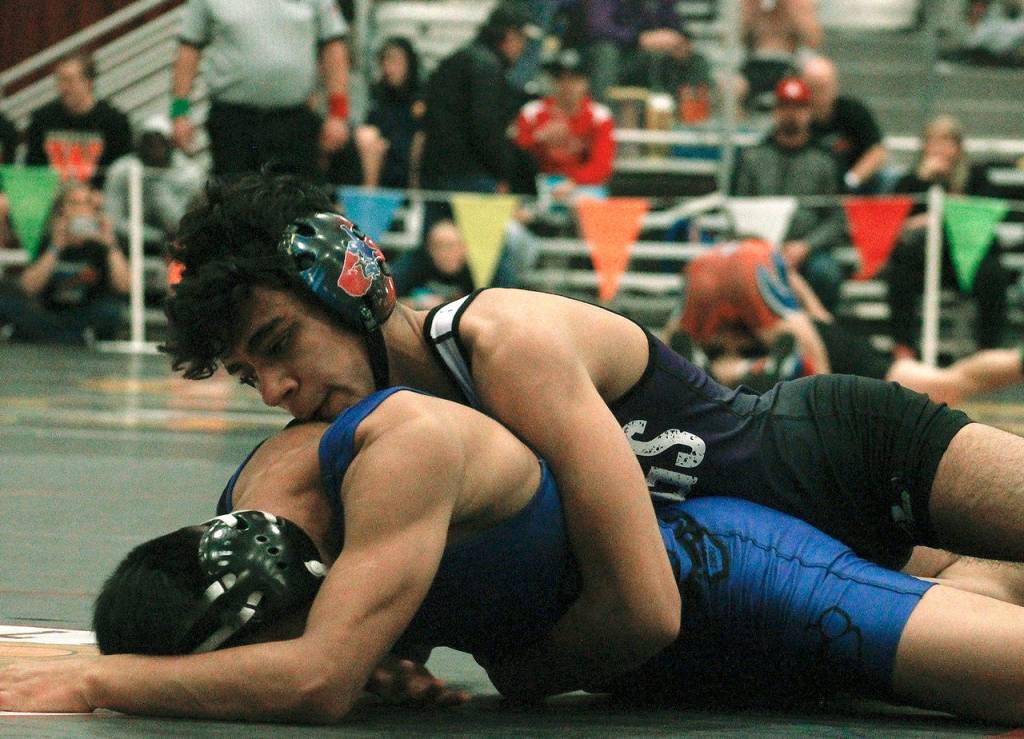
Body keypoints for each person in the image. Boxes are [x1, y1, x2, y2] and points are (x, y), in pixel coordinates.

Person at [160, 174, 1024, 606]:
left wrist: (527, 676)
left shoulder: (499, 343)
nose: (277, 389)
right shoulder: (393, 440)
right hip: (788, 560)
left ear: (351, 283)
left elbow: (641, 602)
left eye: (279, 346)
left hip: (843, 453)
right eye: (248, 375)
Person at [8, 387, 1024, 725]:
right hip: (655, 672)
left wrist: (99, 679)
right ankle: (974, 578)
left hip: (727, 578)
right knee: (934, 656)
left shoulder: (395, 450)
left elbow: (311, 676)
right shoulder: (269, 518)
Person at [666, 237, 1024, 407]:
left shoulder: (708, 273)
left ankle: (1018, 363)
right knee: (942, 383)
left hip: (808, 345)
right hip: (802, 338)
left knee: (939, 387)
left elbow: (810, 350)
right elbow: (795, 294)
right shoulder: (749, 265)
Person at [170, 0, 350, 179]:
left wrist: (338, 113)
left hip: (294, 122)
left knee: (299, 200)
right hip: (233, 123)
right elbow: (189, 47)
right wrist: (179, 112)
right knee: (234, 196)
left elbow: (333, 46)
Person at [886, 114, 1009, 357]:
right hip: (921, 260)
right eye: (933, 141)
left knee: (994, 272)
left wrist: (945, 214)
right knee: (898, 270)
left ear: (958, 147)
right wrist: (922, 180)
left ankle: (988, 349)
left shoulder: (976, 177)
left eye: (946, 142)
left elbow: (988, 213)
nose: (939, 149)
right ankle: (904, 346)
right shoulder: (910, 181)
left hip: (967, 259)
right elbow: (892, 220)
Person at [731, 76, 849, 312]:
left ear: (809, 111)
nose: (791, 114)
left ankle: (819, 337)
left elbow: (837, 218)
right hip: (758, 247)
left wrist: (805, 246)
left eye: (799, 107)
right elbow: (737, 210)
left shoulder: (825, 161)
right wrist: (762, 246)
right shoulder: (752, 158)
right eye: (785, 106)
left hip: (809, 252)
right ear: (776, 110)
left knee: (826, 273)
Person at [418, 3, 530, 201]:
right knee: (478, 232)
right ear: (510, 35)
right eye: (522, 39)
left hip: (436, 172)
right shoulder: (487, 68)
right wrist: (503, 171)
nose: (523, 48)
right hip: (472, 178)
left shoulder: (456, 59)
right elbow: (486, 129)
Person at [0, 181, 128, 344]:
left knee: (111, 310)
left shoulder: (102, 243)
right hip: (48, 312)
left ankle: (62, 337)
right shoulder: (48, 237)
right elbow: (29, 287)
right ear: (63, 209)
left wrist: (111, 244)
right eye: (74, 203)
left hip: (83, 312)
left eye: (87, 203)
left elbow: (125, 286)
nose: (81, 210)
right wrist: (55, 247)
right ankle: (65, 337)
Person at [514, 48, 616, 204]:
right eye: (561, 79)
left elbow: (602, 166)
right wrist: (539, 138)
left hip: (583, 185)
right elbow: (515, 157)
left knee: (587, 203)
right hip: (538, 184)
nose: (567, 86)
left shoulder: (600, 116)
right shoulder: (532, 112)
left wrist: (574, 182)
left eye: (574, 80)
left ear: (585, 82)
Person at [24, 51, 132, 187]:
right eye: (59, 80)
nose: (63, 88)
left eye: (69, 80)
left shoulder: (115, 122)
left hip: (96, 202)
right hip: (52, 199)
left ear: (89, 82)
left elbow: (121, 174)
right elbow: (32, 170)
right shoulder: (42, 119)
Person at [103, 115, 205, 255]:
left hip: (177, 243)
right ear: (139, 144)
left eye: (160, 142)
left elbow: (184, 221)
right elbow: (112, 218)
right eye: (149, 143)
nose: (155, 149)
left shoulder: (189, 173)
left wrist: (158, 190)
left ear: (170, 144)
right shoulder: (121, 170)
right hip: (128, 244)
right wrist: (154, 236)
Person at [802, 55, 889, 194]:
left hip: (855, 187)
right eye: (813, 88)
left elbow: (877, 152)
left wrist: (850, 181)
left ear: (835, 85)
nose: (819, 94)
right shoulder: (798, 119)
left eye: (824, 87)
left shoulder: (853, 111)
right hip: (811, 187)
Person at [576, 0, 689, 104]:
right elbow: (598, 28)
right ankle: (601, 111)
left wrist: (678, 39)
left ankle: (666, 110)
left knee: (666, 56)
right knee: (606, 52)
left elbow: (674, 24)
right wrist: (638, 38)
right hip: (600, 58)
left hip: (636, 58)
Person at [350, 37, 425, 190]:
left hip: (410, 160)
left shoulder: (421, 97)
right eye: (385, 62)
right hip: (382, 161)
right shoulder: (378, 96)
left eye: (396, 62)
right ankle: (369, 197)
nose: (389, 68)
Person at [739, 0, 822, 111]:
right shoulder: (749, 5)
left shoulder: (799, 5)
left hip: (788, 65)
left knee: (816, 75)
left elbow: (814, 41)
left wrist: (794, 11)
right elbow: (735, 39)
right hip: (754, 65)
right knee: (733, 88)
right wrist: (751, 10)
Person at [393, 218, 474, 310]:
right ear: (430, 249)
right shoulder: (413, 265)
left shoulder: (473, 271)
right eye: (444, 246)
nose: (452, 253)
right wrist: (417, 303)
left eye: (458, 246)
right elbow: (387, 304)